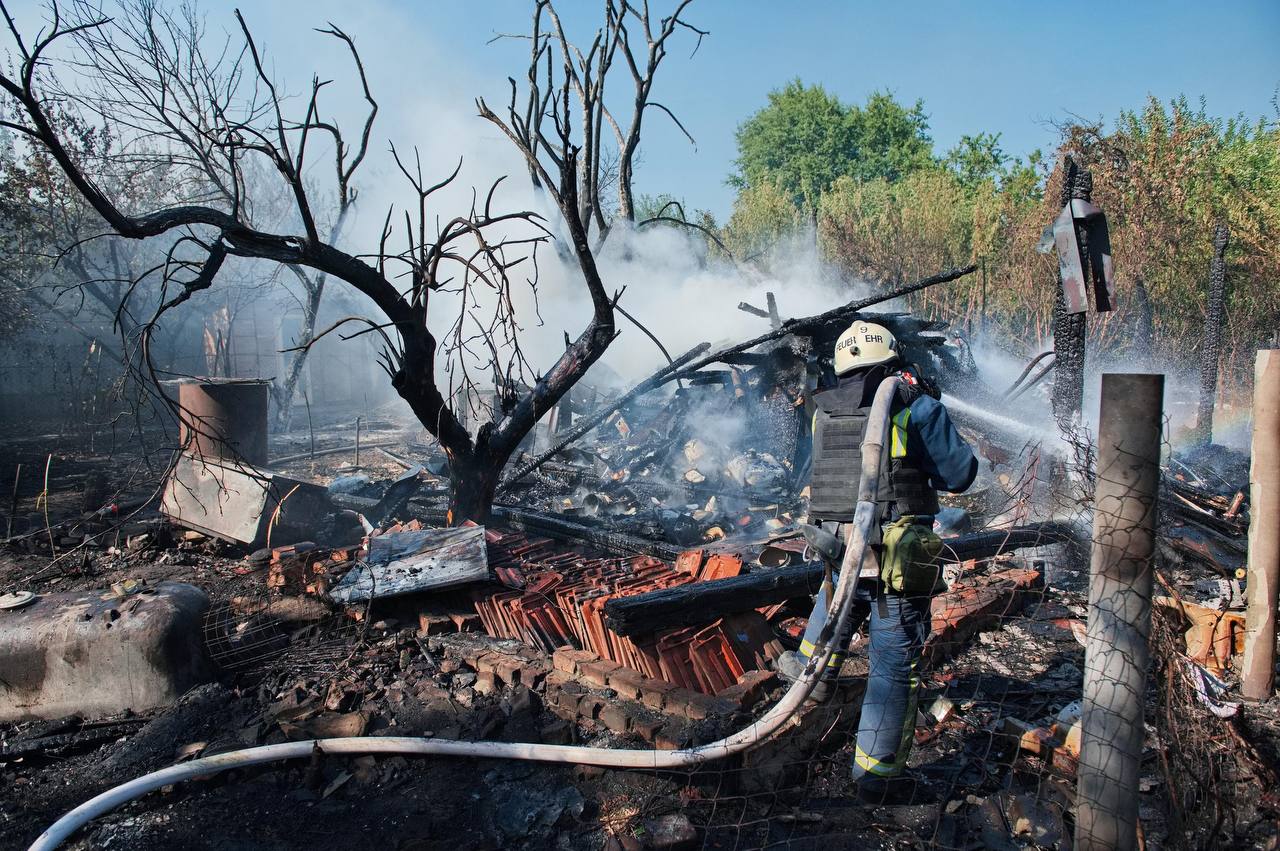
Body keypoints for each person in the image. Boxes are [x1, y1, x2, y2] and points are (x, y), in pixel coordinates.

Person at [776, 320, 978, 803]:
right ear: (893, 362)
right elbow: (961, 474)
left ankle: (813, 682)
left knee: (837, 608)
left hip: (838, 552)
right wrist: (931, 408)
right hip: (894, 561)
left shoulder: (821, 411)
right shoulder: (916, 408)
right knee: (891, 666)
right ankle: (876, 779)